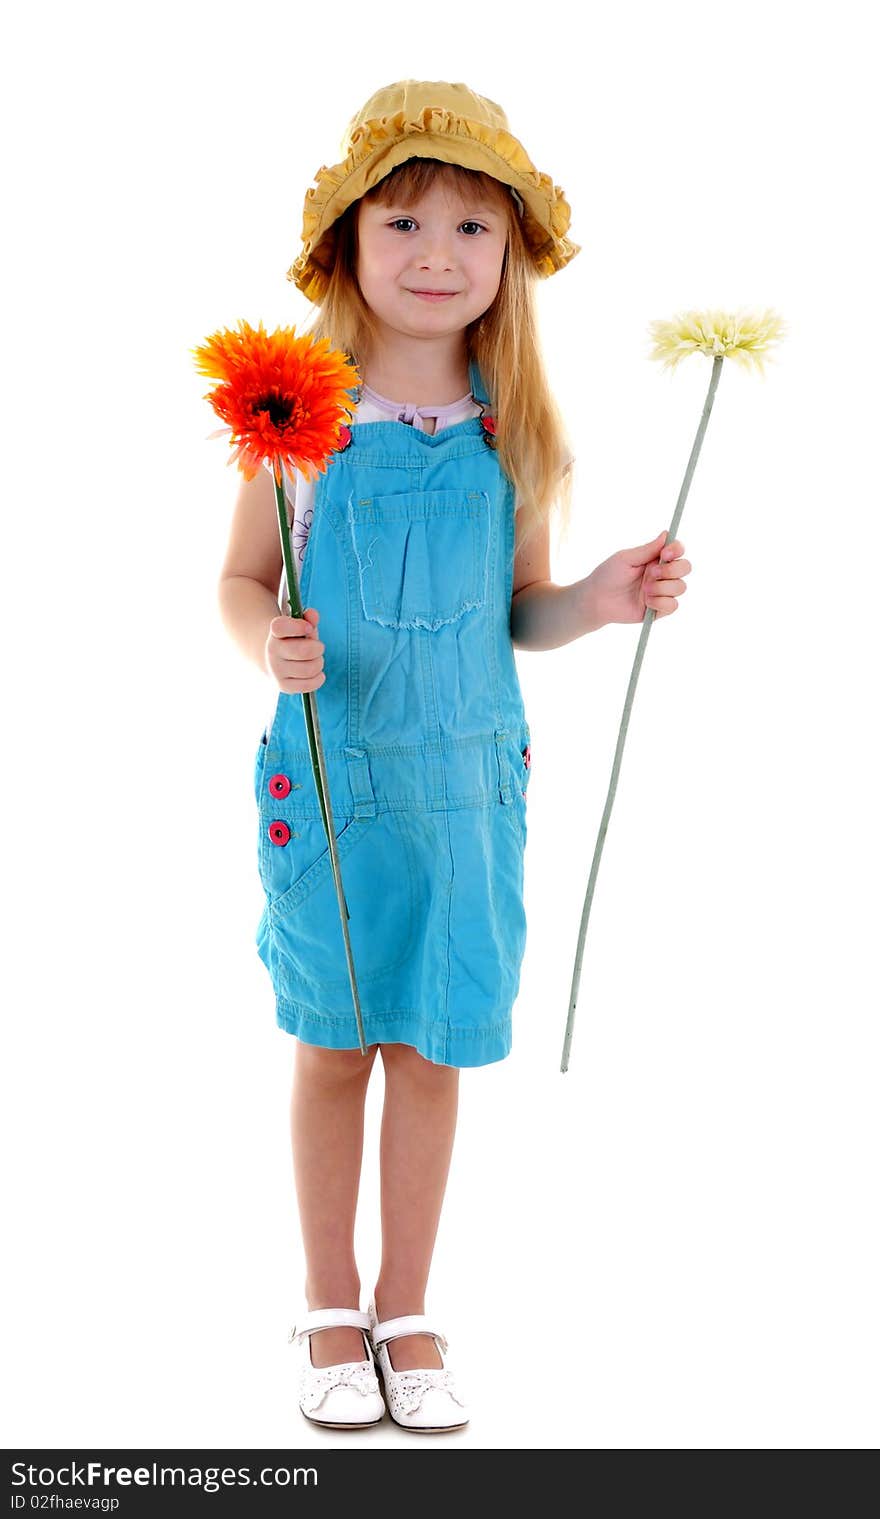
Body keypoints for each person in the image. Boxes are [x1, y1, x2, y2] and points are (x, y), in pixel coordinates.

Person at [217, 80, 692, 1434]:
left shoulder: (512, 429)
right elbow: (239, 583)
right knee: (333, 1045)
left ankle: (409, 1308)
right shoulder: (292, 417)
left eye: (474, 229)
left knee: (431, 1052)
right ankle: (327, 1298)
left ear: (513, 259)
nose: (437, 255)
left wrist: (596, 599)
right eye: (406, 220)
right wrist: (269, 644)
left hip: (468, 795)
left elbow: (518, 612)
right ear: (348, 246)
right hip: (333, 781)